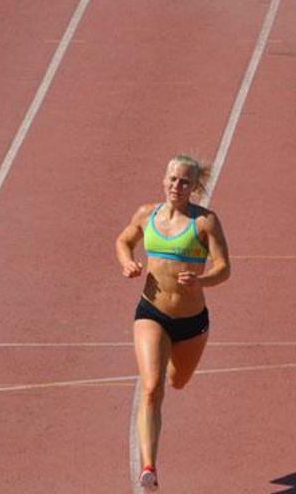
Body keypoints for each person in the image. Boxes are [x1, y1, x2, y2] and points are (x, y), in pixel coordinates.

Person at [114, 155, 230, 491]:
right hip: (151, 312)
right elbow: (124, 241)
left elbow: (224, 267)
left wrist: (201, 281)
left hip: (192, 322)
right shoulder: (145, 214)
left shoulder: (205, 222)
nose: (176, 186)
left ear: (194, 187)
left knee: (177, 381)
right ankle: (149, 467)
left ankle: (168, 363)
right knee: (152, 387)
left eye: (184, 182)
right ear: (163, 179)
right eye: (172, 179)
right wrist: (127, 263)